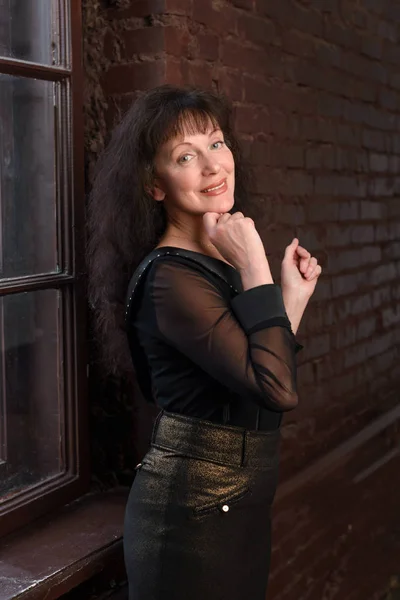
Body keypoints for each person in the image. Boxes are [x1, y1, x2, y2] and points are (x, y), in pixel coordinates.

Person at [87, 85, 322, 600]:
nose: (213, 166)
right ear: (154, 184)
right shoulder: (171, 278)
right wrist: (256, 266)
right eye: (185, 156)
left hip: (238, 505)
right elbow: (278, 390)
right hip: (190, 520)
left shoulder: (210, 266)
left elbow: (254, 381)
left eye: (217, 144)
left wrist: (290, 300)